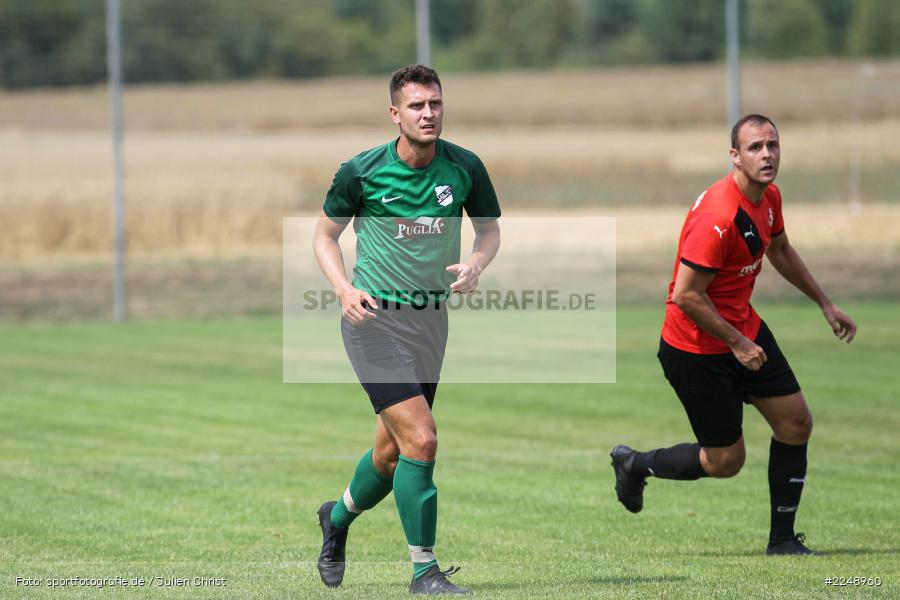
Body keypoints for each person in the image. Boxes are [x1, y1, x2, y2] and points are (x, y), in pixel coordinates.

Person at [610, 114, 857, 555]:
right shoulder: (718, 217)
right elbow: (685, 296)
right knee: (726, 461)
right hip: (695, 348)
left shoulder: (769, 198)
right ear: (735, 157)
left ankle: (782, 540)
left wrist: (825, 302)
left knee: (796, 422)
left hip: (743, 330)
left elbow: (779, 249)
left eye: (772, 145)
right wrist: (737, 343)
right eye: (755, 148)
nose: (766, 155)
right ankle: (634, 464)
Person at [312, 64, 501, 594]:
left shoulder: (465, 167)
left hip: (430, 322)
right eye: (417, 106)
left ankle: (337, 518)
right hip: (371, 320)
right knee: (422, 438)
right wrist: (345, 290)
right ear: (396, 113)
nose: (428, 114)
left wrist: (476, 263)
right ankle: (425, 571)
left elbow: (488, 232)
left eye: (435, 103)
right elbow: (324, 237)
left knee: (390, 455)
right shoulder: (361, 170)